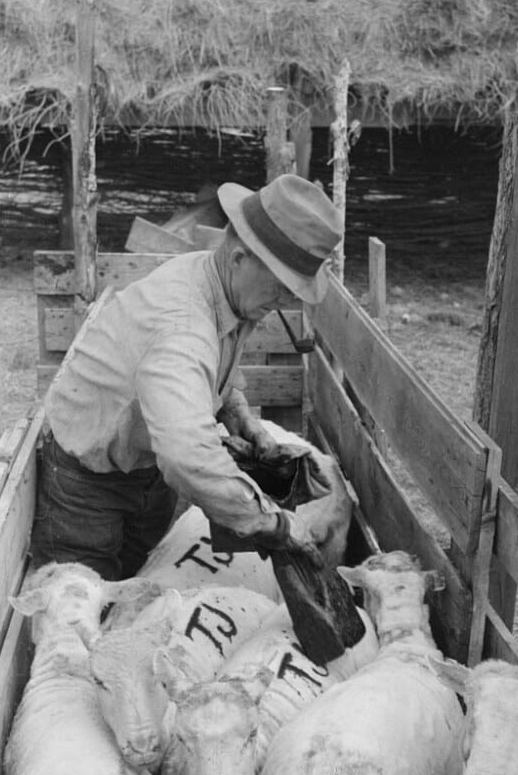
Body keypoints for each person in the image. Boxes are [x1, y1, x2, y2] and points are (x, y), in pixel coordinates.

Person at [29, 173, 343, 581]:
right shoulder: (182, 326)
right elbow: (186, 456)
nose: (286, 300)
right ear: (240, 258)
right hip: (88, 487)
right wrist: (276, 524)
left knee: (141, 589)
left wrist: (237, 415)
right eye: (283, 285)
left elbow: (207, 368)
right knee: (81, 602)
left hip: (148, 472)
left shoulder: (218, 284)